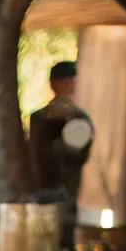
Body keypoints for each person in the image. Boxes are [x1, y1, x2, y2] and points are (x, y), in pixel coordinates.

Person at [28, 59, 94, 202]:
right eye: (66, 81)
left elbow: (78, 155)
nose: (69, 85)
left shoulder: (79, 119)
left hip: (61, 193)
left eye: (71, 81)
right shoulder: (39, 118)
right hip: (44, 191)